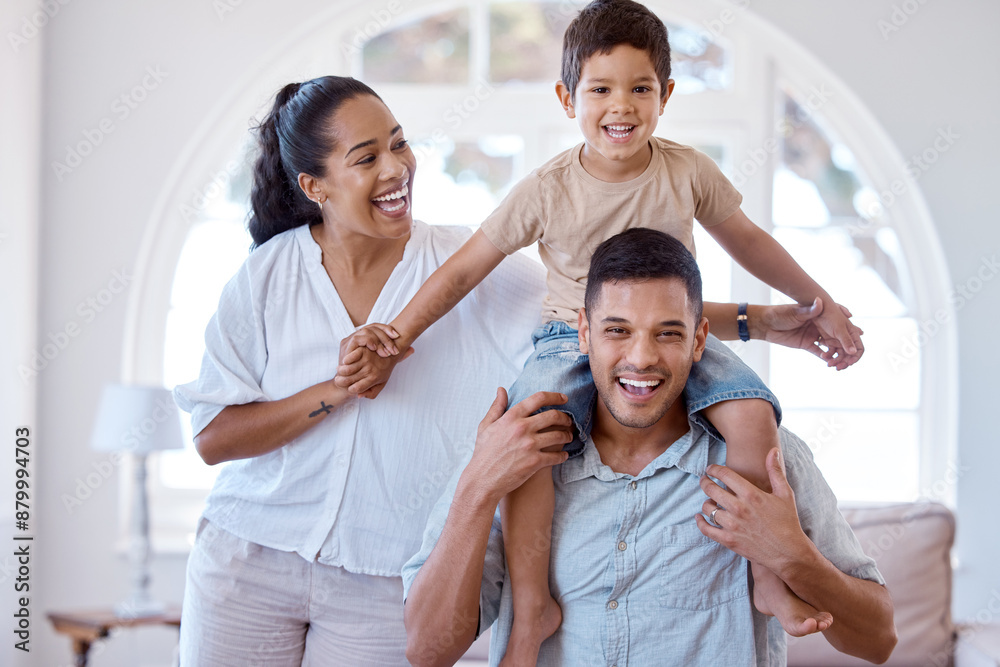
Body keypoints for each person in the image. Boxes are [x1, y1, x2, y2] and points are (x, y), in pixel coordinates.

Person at [337, 1, 863, 662]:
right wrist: (394, 333)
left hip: (677, 341)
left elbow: (750, 240)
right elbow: (465, 268)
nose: (622, 106)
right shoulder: (548, 188)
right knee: (534, 430)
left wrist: (817, 301)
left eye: (640, 88)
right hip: (567, 341)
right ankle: (532, 605)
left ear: (666, 95)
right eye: (601, 90)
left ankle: (767, 579)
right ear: (567, 98)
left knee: (754, 410)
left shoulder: (686, 171)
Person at [171, 75, 550, 665]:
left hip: (385, 579)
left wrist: (742, 319)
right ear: (313, 185)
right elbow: (213, 438)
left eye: (399, 145)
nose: (396, 168)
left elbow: (599, 315)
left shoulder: (468, 267)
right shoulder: (266, 276)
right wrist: (338, 389)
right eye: (367, 157)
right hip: (247, 559)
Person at [402, 229, 897, 667]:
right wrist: (476, 488)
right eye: (617, 330)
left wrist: (791, 556)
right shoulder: (514, 458)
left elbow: (878, 641)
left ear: (700, 339)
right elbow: (428, 652)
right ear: (583, 332)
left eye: (668, 333)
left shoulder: (764, 457)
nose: (641, 358)